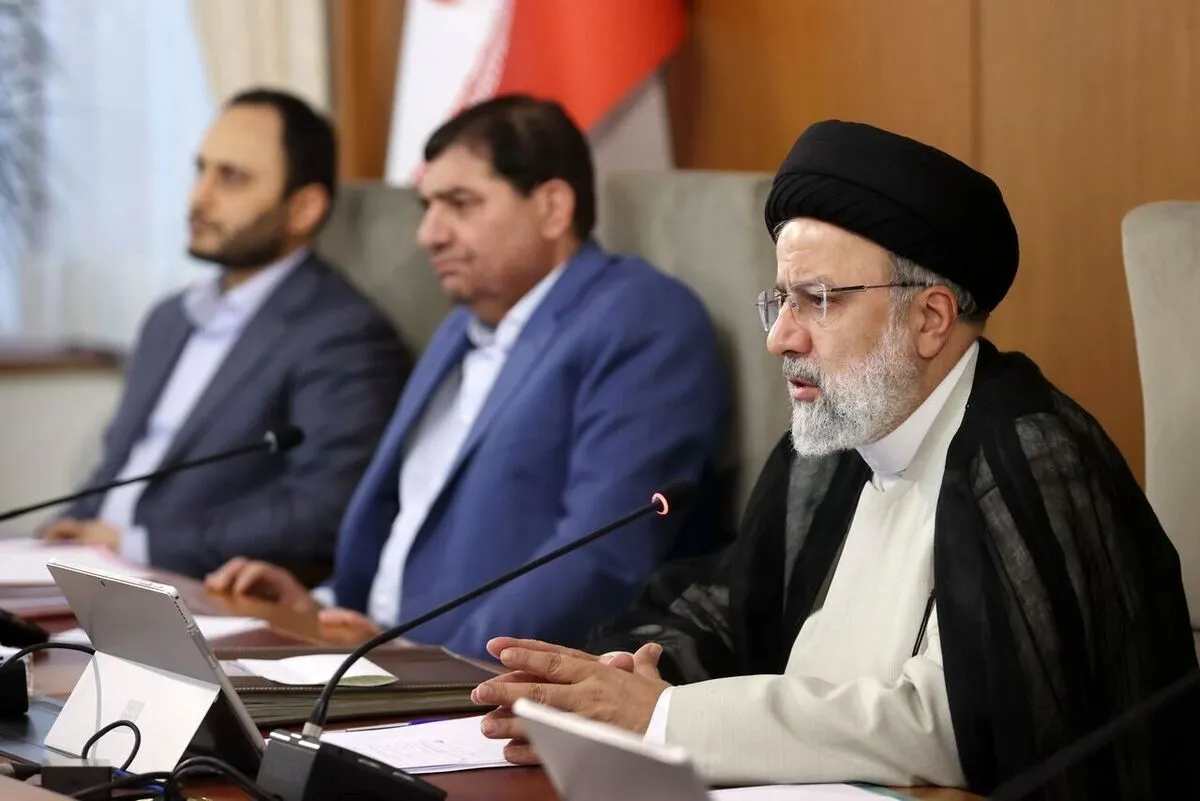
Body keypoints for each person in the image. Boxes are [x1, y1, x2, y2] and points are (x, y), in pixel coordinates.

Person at [469, 120, 1198, 799]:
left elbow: (960, 725)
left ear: (930, 319)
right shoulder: (831, 446)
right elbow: (732, 612)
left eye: (818, 300)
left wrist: (664, 717)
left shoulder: (1031, 458)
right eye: (780, 301)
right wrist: (618, 676)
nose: (780, 338)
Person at [204, 95, 730, 661]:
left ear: (553, 208)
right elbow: (408, 517)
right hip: (376, 657)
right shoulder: (461, 326)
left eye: (459, 203)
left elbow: (600, 557)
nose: (428, 234)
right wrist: (321, 606)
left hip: (476, 680)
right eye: (426, 206)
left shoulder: (640, 318)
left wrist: (428, 670)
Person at [42, 89, 409, 581]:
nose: (198, 197)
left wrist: (135, 544)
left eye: (232, 178)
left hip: (190, 589)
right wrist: (58, 533)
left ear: (303, 208)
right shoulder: (169, 319)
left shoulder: (344, 334)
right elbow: (116, 472)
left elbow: (323, 512)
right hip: (87, 574)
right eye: (201, 170)